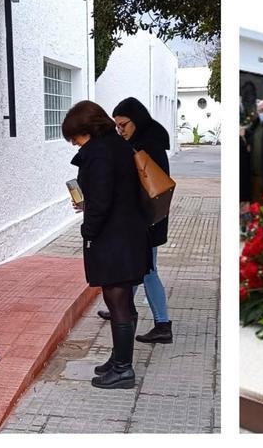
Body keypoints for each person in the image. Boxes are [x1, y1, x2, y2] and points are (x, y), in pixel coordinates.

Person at [64, 101, 151, 389]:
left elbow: (101, 201)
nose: (75, 143)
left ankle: (124, 369)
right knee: (122, 301)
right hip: (127, 234)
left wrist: (87, 229)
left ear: (88, 130)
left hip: (115, 239)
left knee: (117, 301)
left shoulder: (100, 154)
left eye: (75, 137)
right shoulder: (117, 146)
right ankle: (118, 359)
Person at [92, 98, 173, 345]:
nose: (121, 130)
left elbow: (143, 185)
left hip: (147, 218)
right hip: (150, 216)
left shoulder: (145, 146)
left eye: (124, 125)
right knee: (137, 268)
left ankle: (162, 324)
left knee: (148, 271)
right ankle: (122, 308)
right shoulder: (149, 138)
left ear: (136, 120)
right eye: (117, 126)